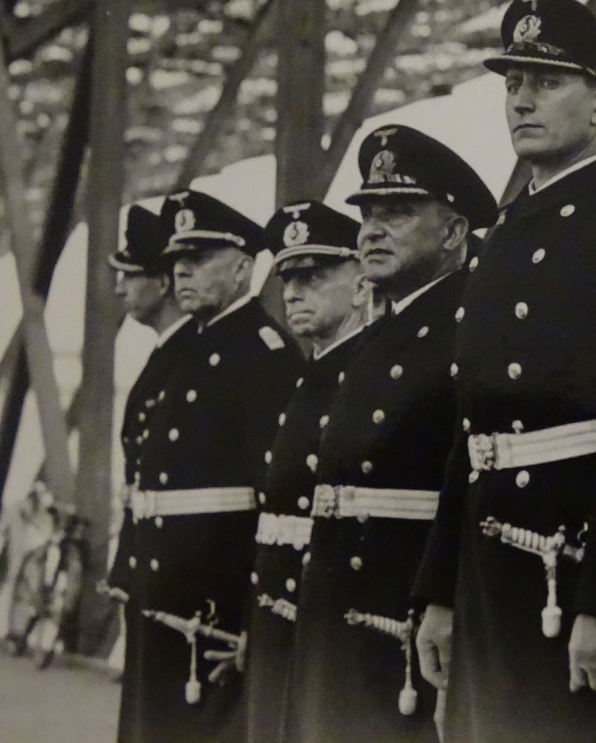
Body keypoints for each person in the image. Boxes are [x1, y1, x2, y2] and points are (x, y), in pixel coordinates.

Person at [414, 0, 596, 743]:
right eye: (512, 84)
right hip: (487, 576)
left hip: (568, 575)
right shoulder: (498, 239)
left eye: (546, 82)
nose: (522, 102)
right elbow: (465, 435)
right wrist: (438, 593)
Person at [283, 125, 497, 743]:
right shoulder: (374, 337)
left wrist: (442, 600)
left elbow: (471, 483)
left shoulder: (469, 325)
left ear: (454, 232)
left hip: (400, 604)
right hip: (337, 599)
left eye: (396, 213)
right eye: (368, 214)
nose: (371, 230)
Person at [123, 189, 302, 743]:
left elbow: (276, 498)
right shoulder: (191, 350)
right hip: (166, 593)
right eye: (177, 262)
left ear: (244, 268)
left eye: (199, 260)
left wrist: (253, 617)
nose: (182, 273)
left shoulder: (262, 352)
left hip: (215, 601)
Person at [244, 201, 369, 743]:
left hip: (335, 616)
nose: (293, 291)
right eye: (288, 278)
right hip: (279, 606)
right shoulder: (309, 376)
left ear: (362, 286)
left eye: (314, 277)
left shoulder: (368, 376)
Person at [104, 204, 195, 742]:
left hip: (178, 572)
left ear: (162, 282)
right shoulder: (168, 354)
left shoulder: (190, 356)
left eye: (129, 276)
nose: (119, 288)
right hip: (149, 560)